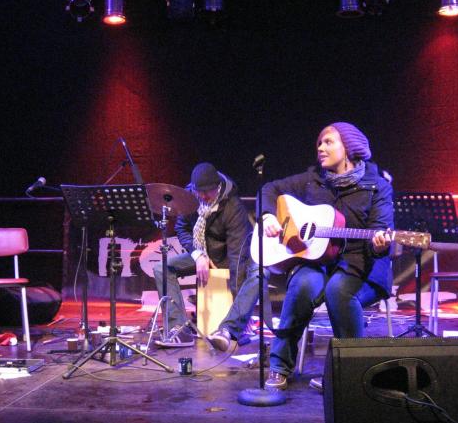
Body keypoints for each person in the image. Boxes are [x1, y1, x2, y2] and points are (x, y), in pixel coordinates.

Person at [261, 122, 393, 391]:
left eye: (329, 142)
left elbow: (380, 231)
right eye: (319, 143)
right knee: (301, 285)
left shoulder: (376, 186)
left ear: (349, 148)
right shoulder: (313, 179)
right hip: (317, 260)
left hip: (359, 262)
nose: (320, 148)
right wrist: (268, 217)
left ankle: (350, 371)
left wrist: (379, 244)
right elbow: (269, 189)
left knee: (338, 291)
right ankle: (279, 367)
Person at [153, 162, 269, 350]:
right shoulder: (189, 197)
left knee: (257, 272)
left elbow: (237, 256)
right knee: (162, 268)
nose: (203, 196)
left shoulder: (233, 207)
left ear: (218, 186)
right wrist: (198, 254)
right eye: (199, 192)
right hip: (203, 252)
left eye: (208, 192)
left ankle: (230, 328)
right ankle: (179, 329)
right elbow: (182, 228)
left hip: (228, 256)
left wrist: (238, 308)